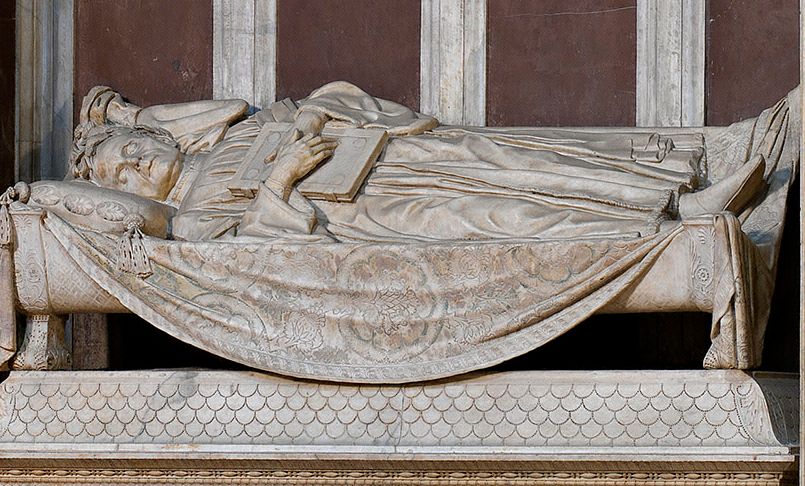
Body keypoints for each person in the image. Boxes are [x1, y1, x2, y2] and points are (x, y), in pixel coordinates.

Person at [69, 82, 766, 243]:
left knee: (515, 162)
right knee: (503, 216)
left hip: (387, 152)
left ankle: (680, 199)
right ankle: (661, 233)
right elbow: (254, 247)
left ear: (167, 135)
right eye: (117, 174)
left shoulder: (231, 133)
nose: (132, 161)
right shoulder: (191, 217)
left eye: (131, 147)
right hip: (365, 209)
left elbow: (323, 101)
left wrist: (308, 117)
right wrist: (278, 183)